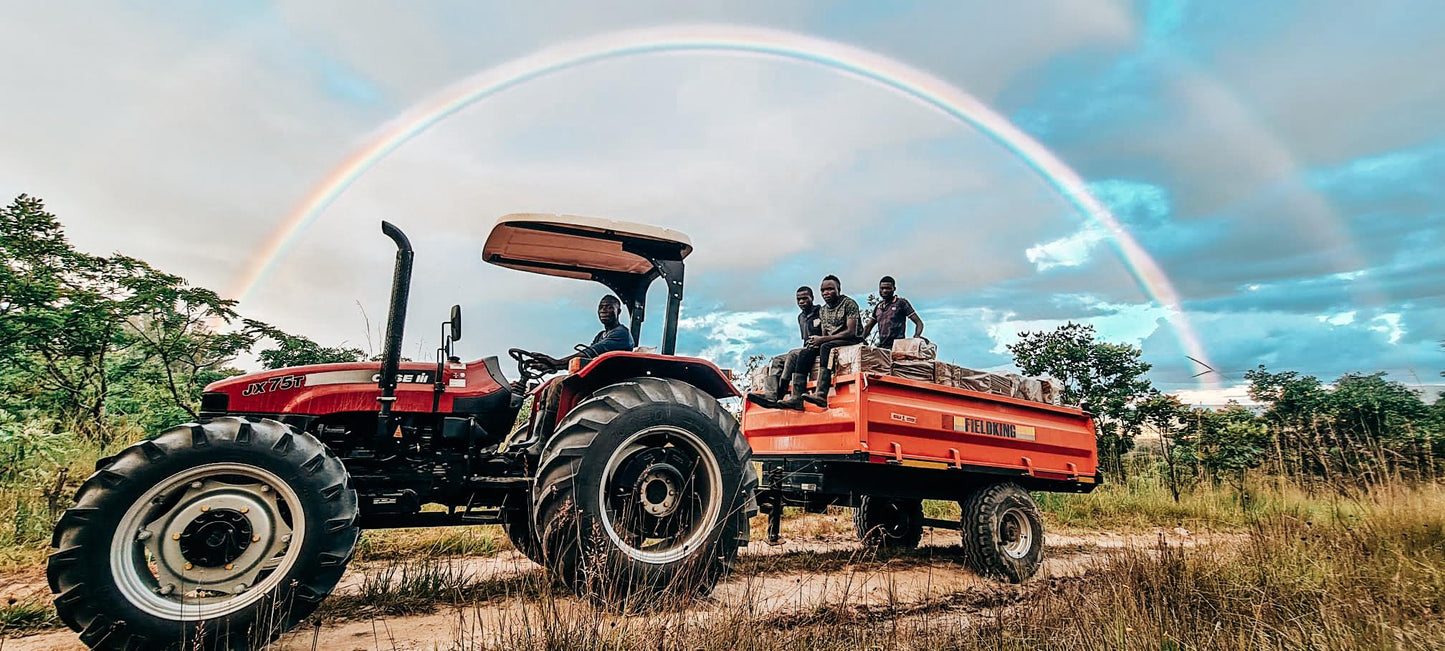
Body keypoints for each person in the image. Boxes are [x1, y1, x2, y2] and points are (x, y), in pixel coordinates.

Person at [779, 275, 862, 410]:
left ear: (838, 289)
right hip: (831, 341)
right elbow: (824, 334)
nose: (826, 293)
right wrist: (816, 342)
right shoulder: (823, 310)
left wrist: (822, 340)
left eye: (830, 289)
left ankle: (821, 394)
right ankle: (796, 398)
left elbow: (851, 332)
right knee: (806, 352)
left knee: (825, 347)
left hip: (850, 340)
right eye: (823, 290)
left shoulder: (849, 304)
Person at [746, 286, 822, 409]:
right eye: (799, 300)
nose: (801, 302)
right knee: (777, 360)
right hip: (805, 348)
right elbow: (805, 339)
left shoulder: (820, 312)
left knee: (792, 354)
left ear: (812, 298)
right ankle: (770, 395)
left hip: (817, 348)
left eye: (805, 298)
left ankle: (781, 391)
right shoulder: (801, 317)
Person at [528, 295, 635, 372]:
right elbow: (586, 360)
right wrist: (553, 366)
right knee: (551, 386)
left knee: (559, 385)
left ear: (618, 312)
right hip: (599, 374)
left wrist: (557, 362)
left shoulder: (621, 333)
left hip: (611, 376)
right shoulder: (600, 335)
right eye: (601, 307)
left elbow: (593, 352)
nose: (604, 310)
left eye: (609, 307)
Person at [861, 276, 924, 351]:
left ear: (894, 289)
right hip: (882, 348)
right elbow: (868, 327)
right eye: (882, 288)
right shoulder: (878, 307)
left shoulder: (901, 303)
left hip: (898, 347)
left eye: (888, 288)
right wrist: (860, 340)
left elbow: (919, 323)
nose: (884, 291)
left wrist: (916, 336)